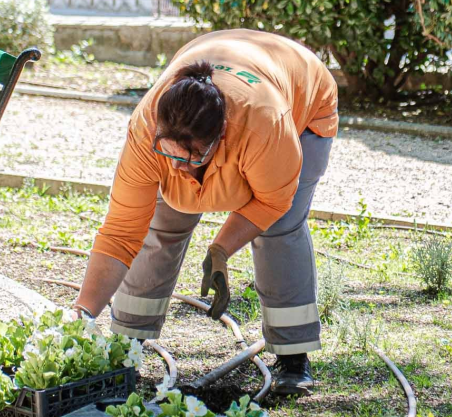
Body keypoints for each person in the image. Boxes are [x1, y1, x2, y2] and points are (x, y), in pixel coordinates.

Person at [70, 29, 338, 396]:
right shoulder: (147, 130)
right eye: (169, 153)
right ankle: (127, 343)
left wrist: (221, 249)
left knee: (279, 229)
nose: (177, 167)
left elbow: (273, 202)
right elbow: (120, 231)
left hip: (303, 98)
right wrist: (83, 312)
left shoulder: (264, 125)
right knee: (162, 220)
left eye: (191, 155)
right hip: (228, 68)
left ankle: (293, 356)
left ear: (221, 135)